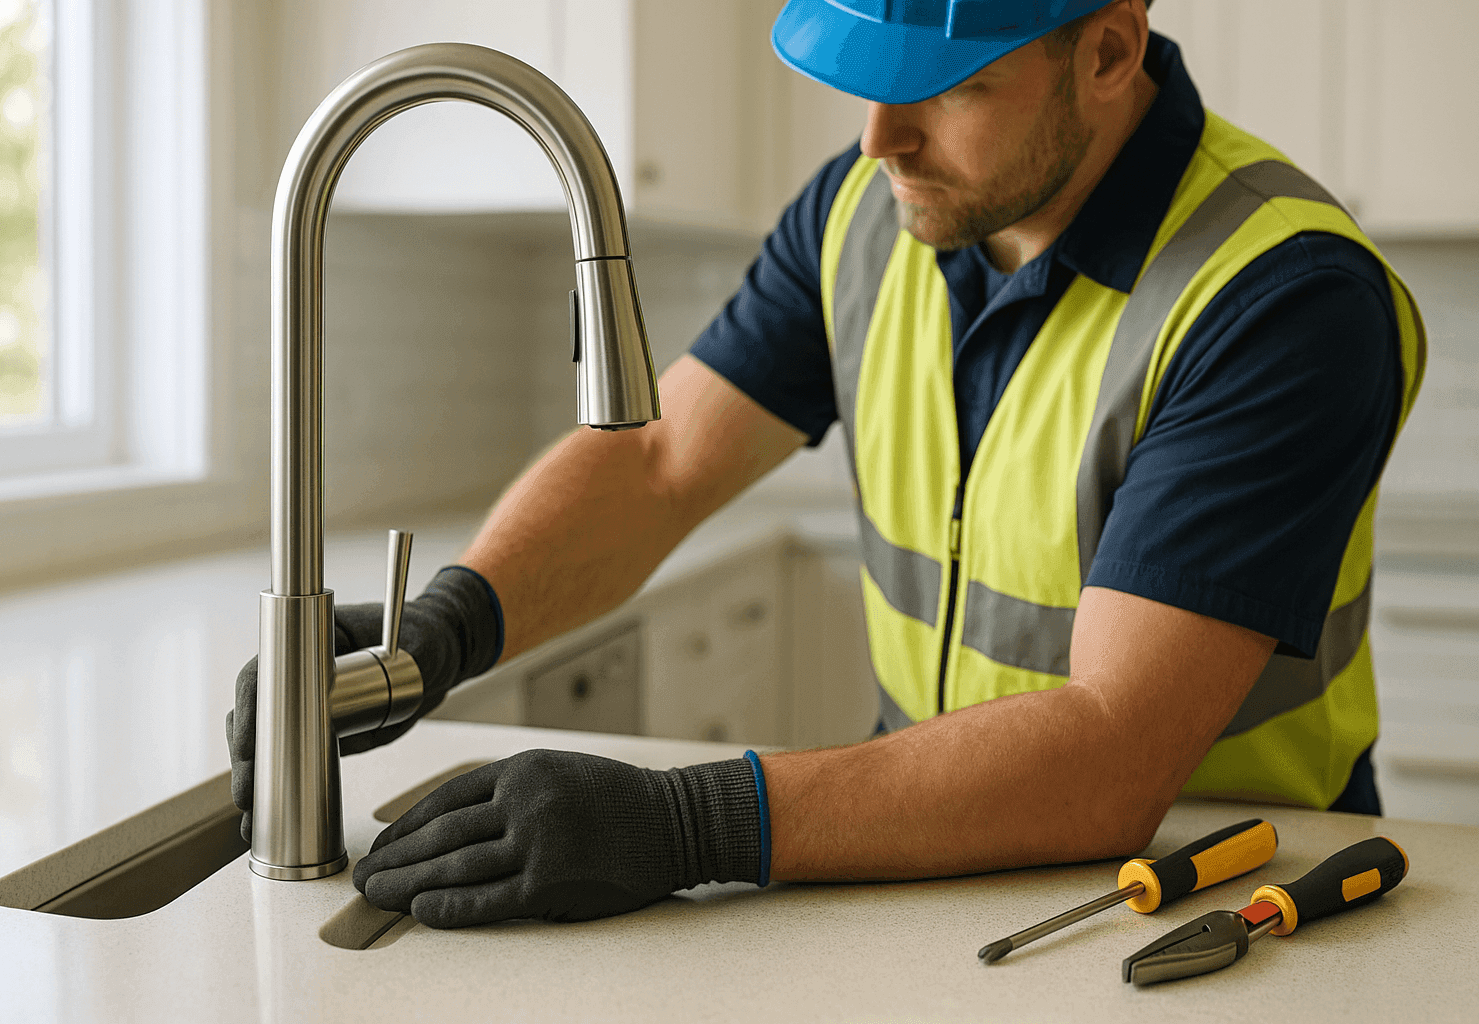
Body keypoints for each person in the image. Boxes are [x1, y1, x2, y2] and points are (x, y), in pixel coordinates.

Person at [228, 0, 1426, 929]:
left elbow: (1112, 748)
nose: (878, 138)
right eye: (864, 82)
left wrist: (688, 821)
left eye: (944, 89)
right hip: (933, 870)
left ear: (1109, 51)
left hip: (1228, 901)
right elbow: (657, 467)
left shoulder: (1280, 297)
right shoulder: (871, 211)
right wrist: (439, 630)